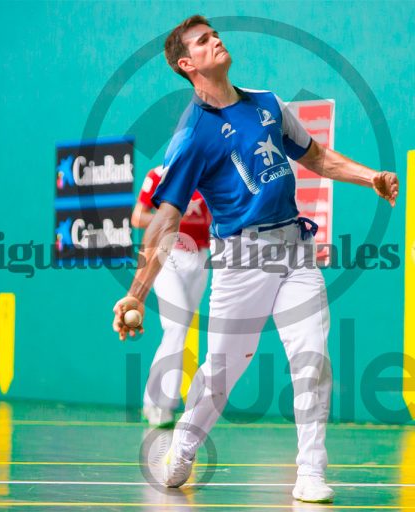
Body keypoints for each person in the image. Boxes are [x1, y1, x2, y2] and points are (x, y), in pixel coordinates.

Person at [112, 14, 399, 503]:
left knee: (312, 358)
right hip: (241, 261)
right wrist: (136, 292)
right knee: (221, 374)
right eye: (204, 42)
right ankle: (183, 443)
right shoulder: (192, 134)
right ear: (187, 64)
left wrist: (368, 176)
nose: (216, 41)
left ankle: (310, 471)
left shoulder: (268, 104)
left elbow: (315, 157)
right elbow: (165, 219)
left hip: (296, 251)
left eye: (215, 35)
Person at [131, 165, 211, 427]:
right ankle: (157, 403)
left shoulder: (210, 177)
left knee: (182, 328)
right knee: (176, 326)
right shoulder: (158, 176)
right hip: (168, 256)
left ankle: (159, 403)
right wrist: (172, 220)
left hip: (200, 259)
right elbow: (138, 217)